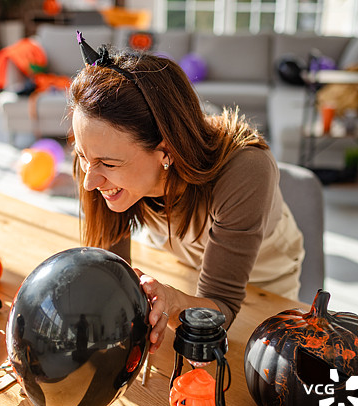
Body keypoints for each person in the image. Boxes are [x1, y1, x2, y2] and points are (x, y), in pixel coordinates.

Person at [69, 33, 305, 353]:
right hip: (179, 265)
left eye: (108, 164)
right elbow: (111, 268)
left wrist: (177, 302)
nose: (89, 181)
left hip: (262, 283)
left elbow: (222, 306)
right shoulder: (97, 149)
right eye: (82, 156)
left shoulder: (246, 173)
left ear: (166, 151)